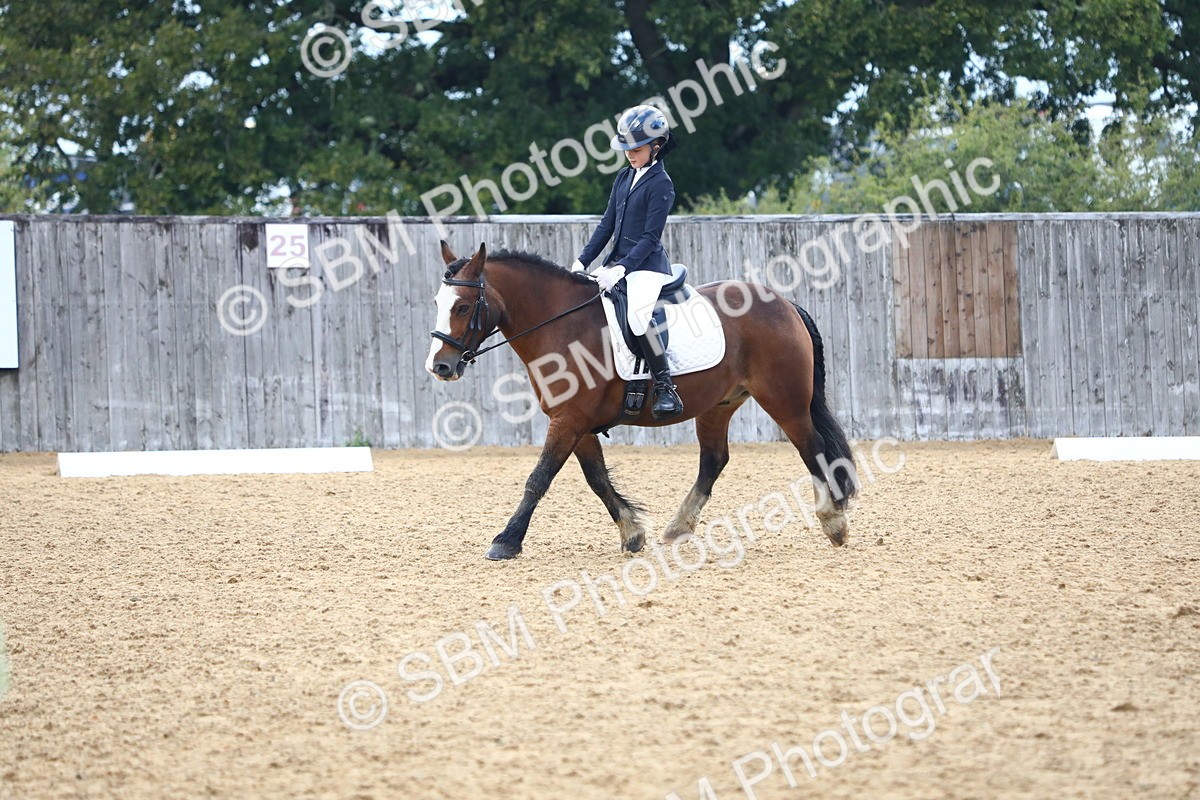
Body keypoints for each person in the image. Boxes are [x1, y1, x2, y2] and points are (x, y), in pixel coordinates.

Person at [571, 104, 683, 420]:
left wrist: (621, 269)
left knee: (636, 317)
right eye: (626, 149)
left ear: (656, 146)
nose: (630, 155)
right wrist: (582, 262)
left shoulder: (662, 184)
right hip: (617, 262)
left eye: (636, 149)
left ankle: (665, 386)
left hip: (647, 266)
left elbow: (650, 238)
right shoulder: (624, 177)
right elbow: (607, 224)